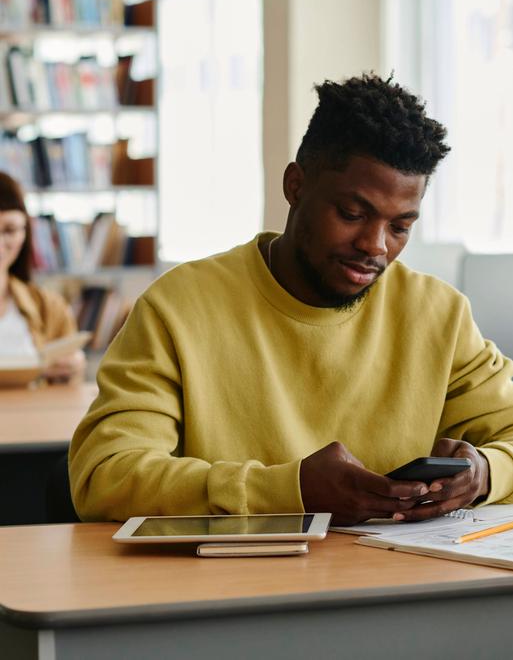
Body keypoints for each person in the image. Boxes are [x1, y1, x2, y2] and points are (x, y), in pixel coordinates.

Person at [69, 73, 513, 525]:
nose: (376, 246)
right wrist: (290, 490)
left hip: (395, 583)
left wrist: (485, 473)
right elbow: (105, 477)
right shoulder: (178, 308)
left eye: (400, 226)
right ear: (295, 186)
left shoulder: (438, 315)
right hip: (228, 590)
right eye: (352, 214)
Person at [0, 171, 85, 383]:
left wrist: (74, 367)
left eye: (10, 230)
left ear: (25, 233)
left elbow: (70, 393)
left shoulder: (49, 307)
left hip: (34, 414)